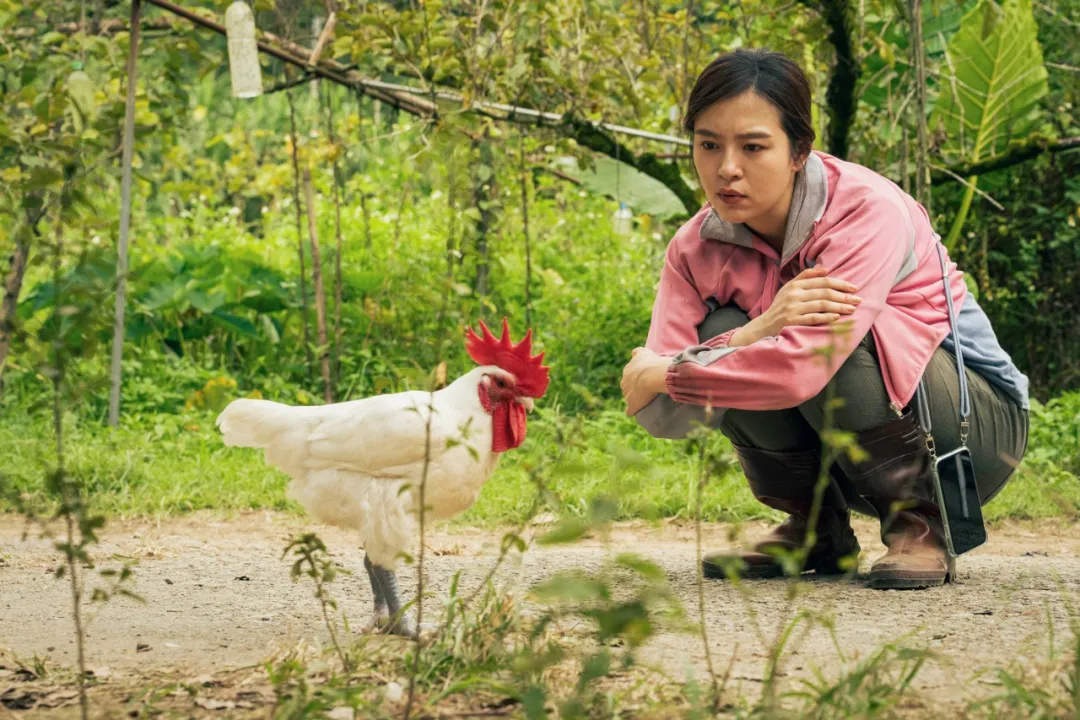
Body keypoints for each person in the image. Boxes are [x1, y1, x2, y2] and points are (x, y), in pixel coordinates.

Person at [621, 48, 1029, 590]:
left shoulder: (865, 210)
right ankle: (817, 529)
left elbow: (797, 370)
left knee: (826, 320)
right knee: (723, 332)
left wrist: (667, 372)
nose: (727, 168)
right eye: (708, 144)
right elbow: (664, 416)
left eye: (753, 147)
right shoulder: (695, 247)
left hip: (971, 434)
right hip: (850, 445)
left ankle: (921, 524)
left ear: (799, 151)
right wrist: (751, 332)